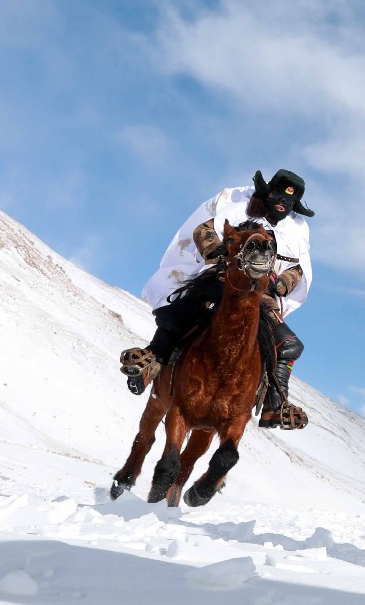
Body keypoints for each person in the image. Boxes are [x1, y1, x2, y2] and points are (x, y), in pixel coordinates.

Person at [118, 169, 316, 429]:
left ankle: (275, 405)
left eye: (290, 201)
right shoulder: (239, 209)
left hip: (260, 294)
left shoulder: (296, 231)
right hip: (225, 279)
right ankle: (152, 362)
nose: (284, 203)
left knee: (290, 346)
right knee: (183, 311)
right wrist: (220, 253)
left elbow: (298, 268)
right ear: (268, 192)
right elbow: (204, 230)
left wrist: (284, 282)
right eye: (280, 195)